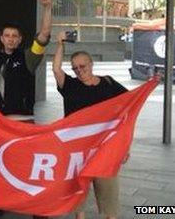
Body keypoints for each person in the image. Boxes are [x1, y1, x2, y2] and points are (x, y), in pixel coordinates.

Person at [0, 0, 53, 218]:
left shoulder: (29, 57)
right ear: (1, 38)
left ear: (19, 39)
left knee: (29, 164)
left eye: (14, 36)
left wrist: (47, 8)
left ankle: (38, 207)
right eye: (7, 35)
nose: (10, 39)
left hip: (24, 122)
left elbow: (44, 35)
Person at [53, 32, 127, 219]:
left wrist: (123, 145)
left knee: (109, 197)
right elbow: (56, 69)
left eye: (82, 66)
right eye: (75, 68)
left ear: (91, 64)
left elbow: (129, 107)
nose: (79, 70)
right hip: (77, 151)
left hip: (105, 150)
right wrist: (60, 44)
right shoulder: (70, 86)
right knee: (79, 198)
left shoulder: (109, 83)